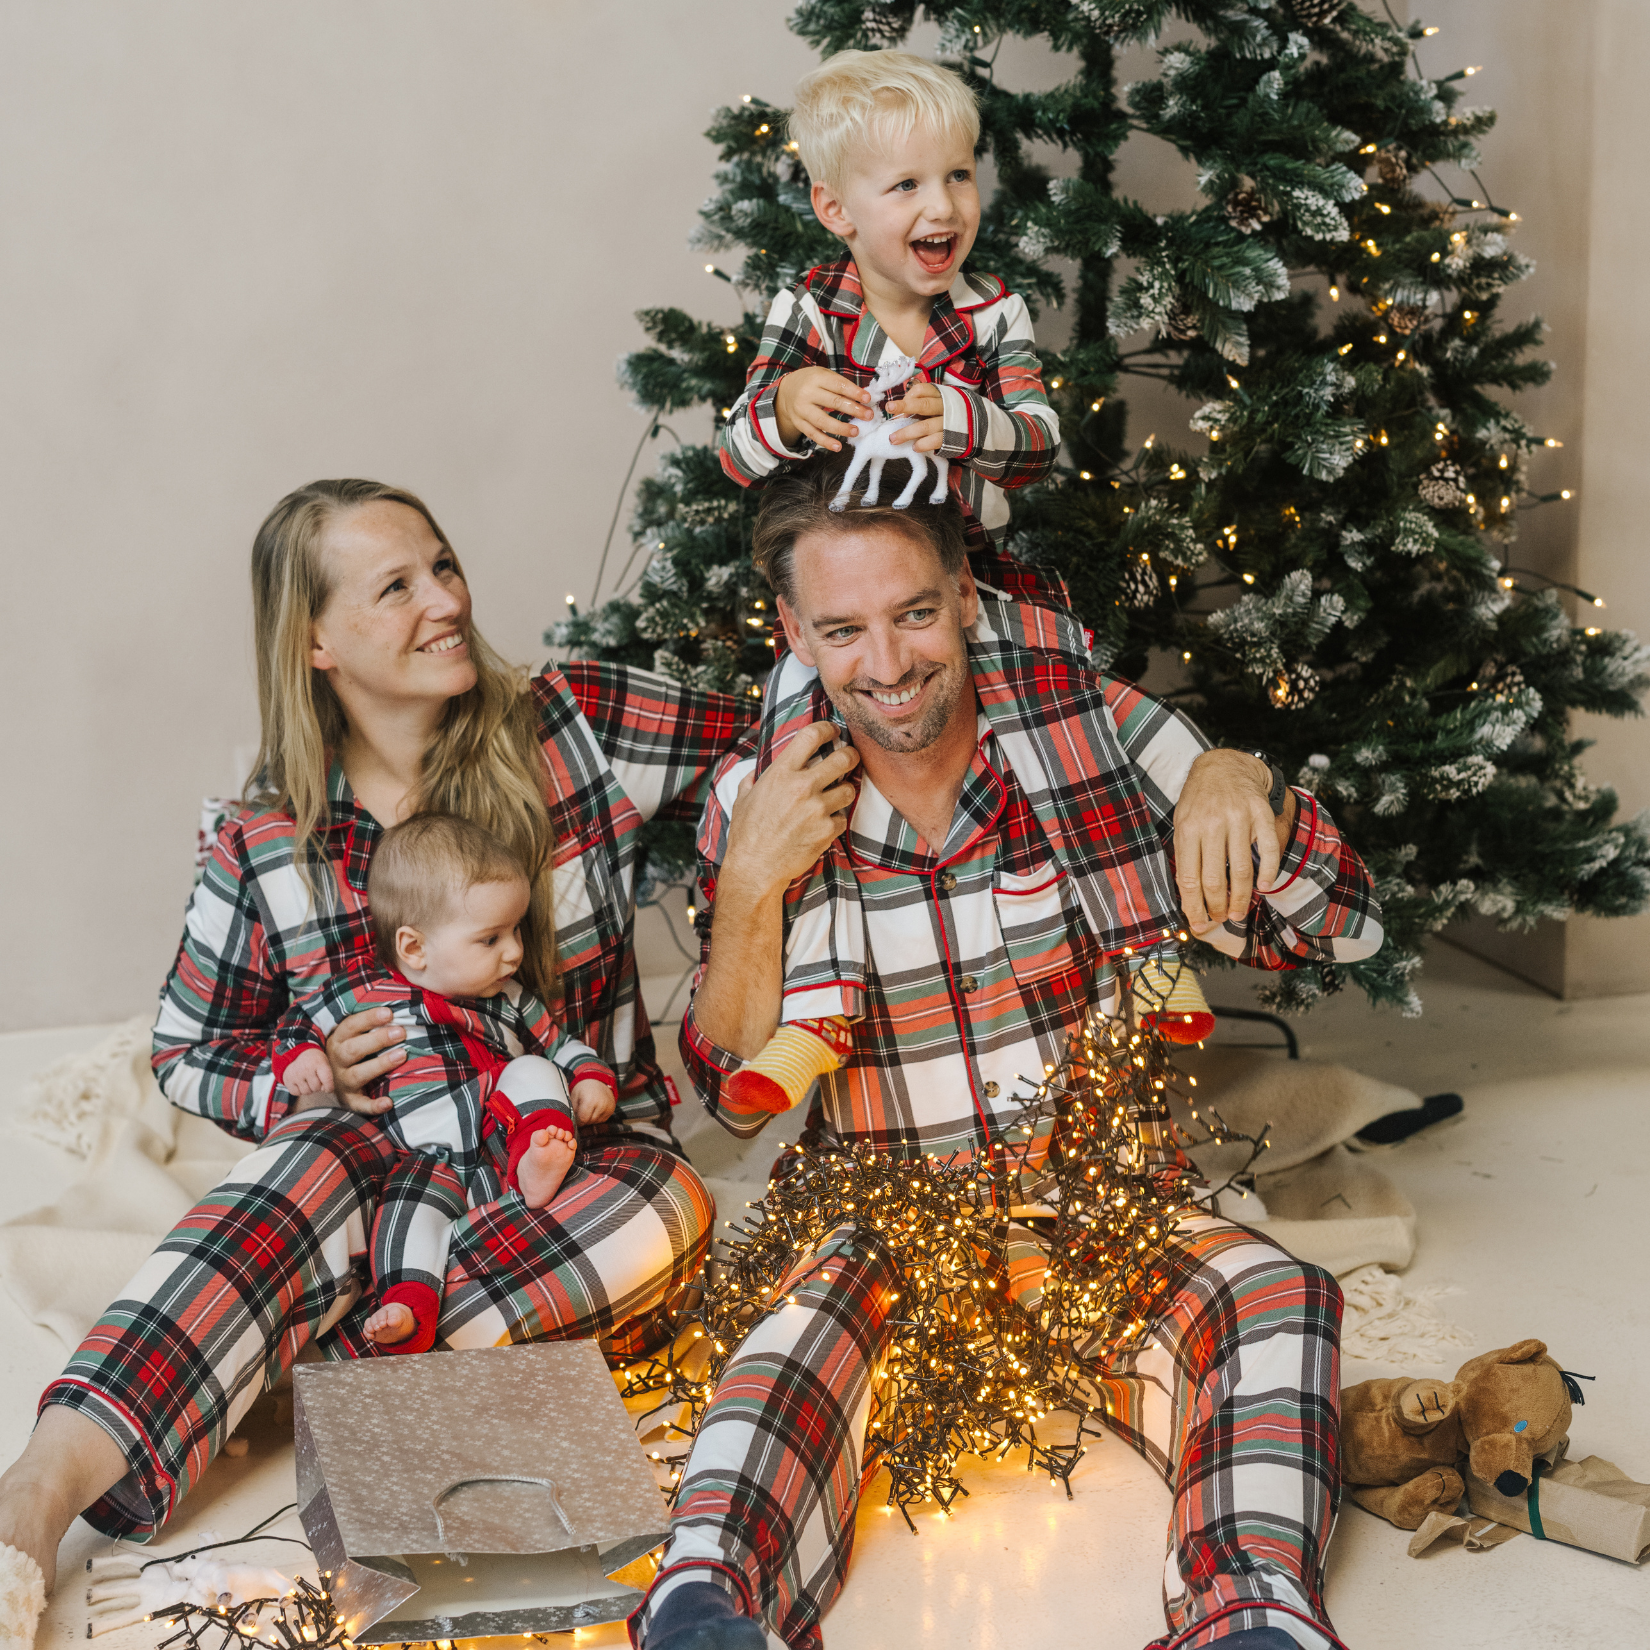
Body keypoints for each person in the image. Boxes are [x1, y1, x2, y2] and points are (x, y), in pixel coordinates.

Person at [633, 462, 1384, 1650]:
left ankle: (1253, 1613)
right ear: (794, 633)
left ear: (966, 597)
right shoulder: (760, 797)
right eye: (843, 629)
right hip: (890, 1220)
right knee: (791, 1339)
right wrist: (747, 885)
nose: (887, 663)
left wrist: (1240, 781)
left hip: (1100, 1212)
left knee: (1279, 1297)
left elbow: (1350, 928)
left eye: (914, 613)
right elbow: (730, 1097)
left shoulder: (1089, 746)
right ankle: (703, 1611)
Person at [0, 479, 755, 1646]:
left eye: (442, 566)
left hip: (578, 1168)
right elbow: (189, 1050)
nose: (445, 600)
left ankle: (283, 1356)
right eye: (396, 586)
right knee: (298, 1169)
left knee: (670, 1204)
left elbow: (780, 734)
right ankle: (32, 1501)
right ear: (315, 640)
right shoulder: (267, 839)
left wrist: (745, 872)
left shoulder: (573, 725)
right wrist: (300, 1072)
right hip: (377, 1174)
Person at [717, 48, 1060, 601]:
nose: (943, 207)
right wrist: (784, 407)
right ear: (837, 209)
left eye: (958, 175)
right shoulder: (809, 310)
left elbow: (1038, 450)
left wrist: (967, 421)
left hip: (968, 574)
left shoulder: (995, 311)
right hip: (840, 585)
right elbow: (737, 459)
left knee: (1032, 653)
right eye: (907, 184)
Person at [274, 813, 620, 1353]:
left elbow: (562, 1046)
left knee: (533, 1069)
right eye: (491, 938)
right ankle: (407, 1308)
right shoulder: (366, 992)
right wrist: (302, 1056)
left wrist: (592, 1077)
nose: (514, 952)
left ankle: (540, 1154)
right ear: (414, 948)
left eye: (515, 931)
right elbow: (298, 1021)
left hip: (500, 1141)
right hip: (422, 1161)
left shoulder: (509, 999)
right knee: (404, 1221)